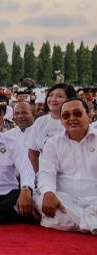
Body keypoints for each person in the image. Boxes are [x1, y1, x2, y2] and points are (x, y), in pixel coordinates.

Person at [36, 97, 97, 234]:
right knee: (41, 201)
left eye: (77, 113)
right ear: (62, 121)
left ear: (89, 115)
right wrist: (49, 192)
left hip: (94, 200)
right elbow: (46, 173)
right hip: (65, 201)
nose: (72, 118)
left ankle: (76, 223)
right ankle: (91, 223)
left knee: (50, 217)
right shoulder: (53, 143)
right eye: (66, 115)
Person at [28, 84, 76, 172]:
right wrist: (38, 175)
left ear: (69, 99)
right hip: (45, 177)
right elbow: (33, 153)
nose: (53, 99)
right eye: (50, 95)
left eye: (59, 96)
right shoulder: (40, 122)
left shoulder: (75, 122)